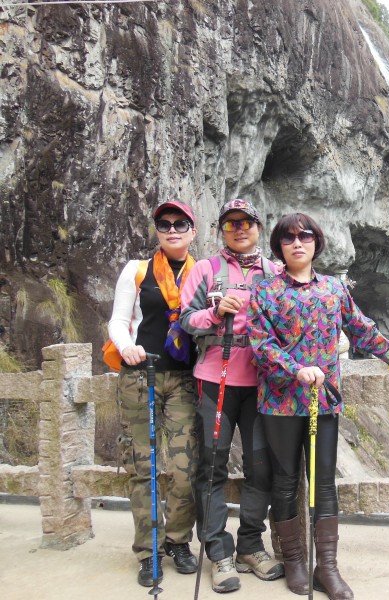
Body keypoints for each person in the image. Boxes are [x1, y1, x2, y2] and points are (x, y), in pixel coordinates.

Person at [247, 213, 389, 598]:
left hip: (323, 401)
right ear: (278, 246)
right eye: (288, 238)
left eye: (305, 236)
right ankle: (295, 561)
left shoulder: (333, 289)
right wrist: (296, 369)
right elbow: (261, 345)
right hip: (279, 401)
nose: (297, 243)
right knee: (286, 481)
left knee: (323, 482)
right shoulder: (265, 291)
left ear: (316, 242)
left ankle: (327, 567)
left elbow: (359, 327)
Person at [180, 199, 282, 594]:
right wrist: (215, 312)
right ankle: (218, 551)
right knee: (212, 466)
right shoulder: (205, 270)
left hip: (261, 382)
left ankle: (250, 546)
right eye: (230, 224)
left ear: (258, 227)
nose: (239, 229)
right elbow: (186, 319)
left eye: (246, 223)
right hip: (214, 379)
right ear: (221, 230)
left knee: (261, 467)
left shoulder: (275, 272)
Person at [108, 200, 200, 587]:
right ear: (157, 231)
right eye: (165, 224)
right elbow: (118, 319)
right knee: (142, 465)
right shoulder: (137, 270)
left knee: (184, 466)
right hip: (140, 374)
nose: (172, 230)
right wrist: (126, 346)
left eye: (180, 223)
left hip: (183, 378)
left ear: (193, 230)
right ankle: (149, 550)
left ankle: (178, 541)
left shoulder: (202, 273)